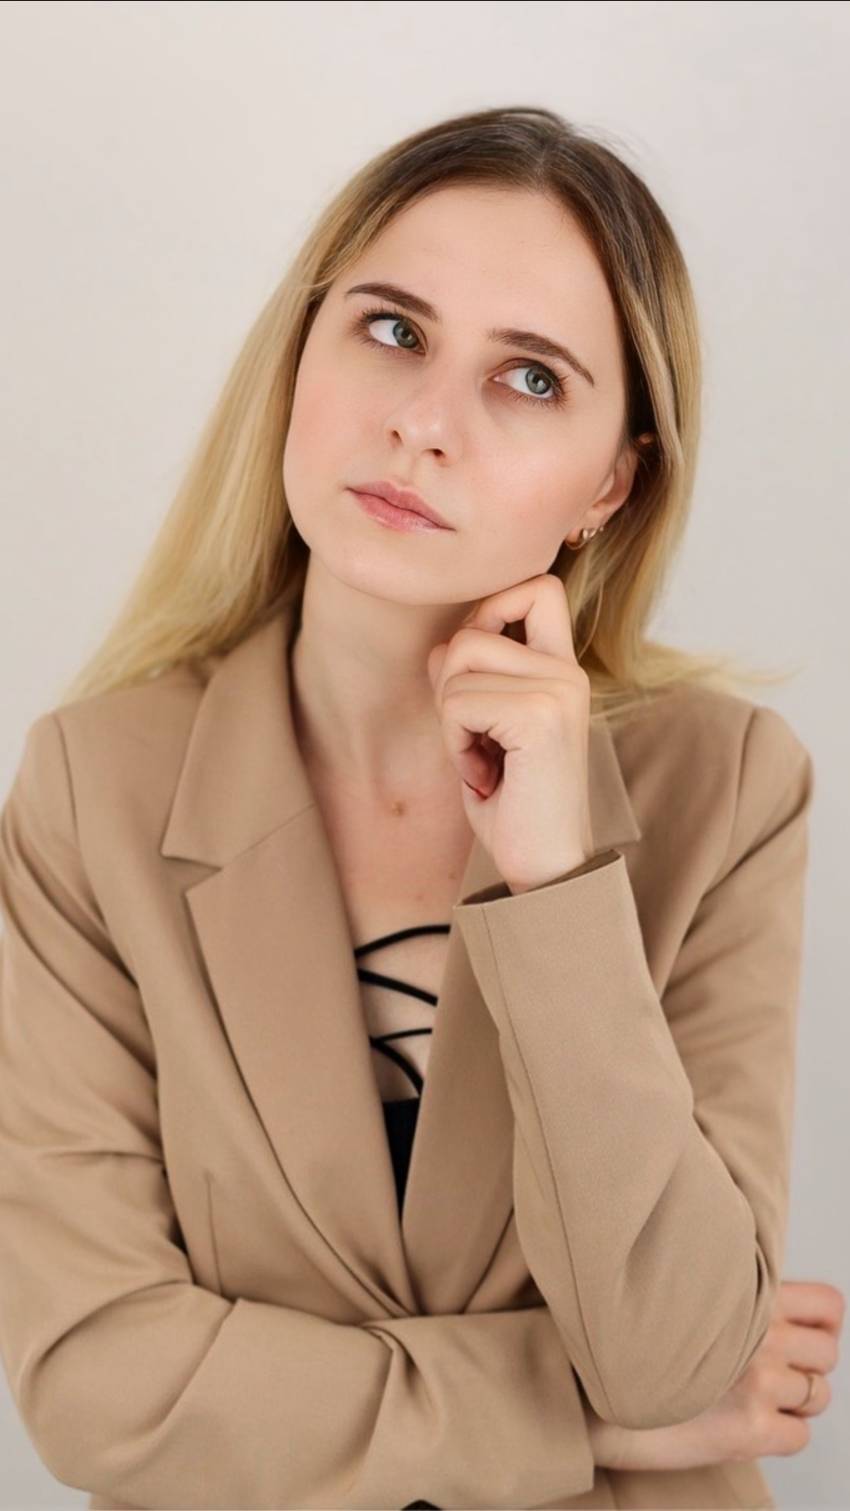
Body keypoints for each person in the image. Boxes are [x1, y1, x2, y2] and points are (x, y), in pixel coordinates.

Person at [0, 104, 842, 1511]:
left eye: (529, 377)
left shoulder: (728, 784)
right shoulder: (94, 786)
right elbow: (97, 1385)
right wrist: (581, 1426)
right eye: (392, 330)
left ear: (610, 481)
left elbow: (671, 1352)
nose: (422, 424)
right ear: (300, 355)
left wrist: (556, 883)